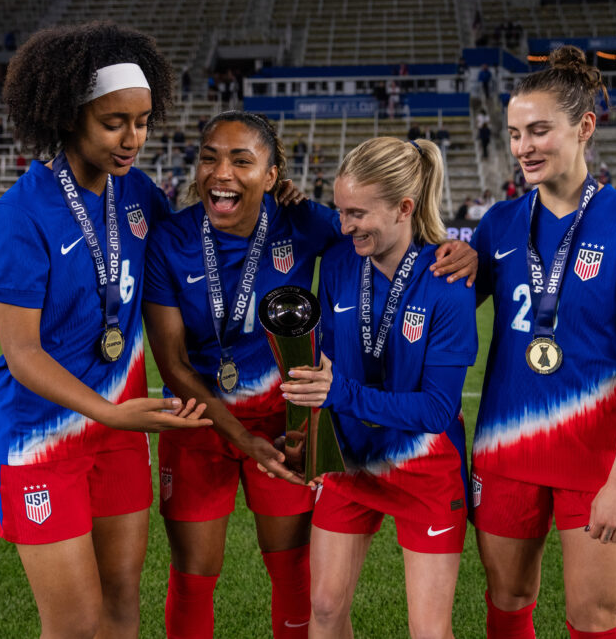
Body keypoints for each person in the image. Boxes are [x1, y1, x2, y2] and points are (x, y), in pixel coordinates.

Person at [142, 112, 477, 639]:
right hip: (205, 423)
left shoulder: (315, 227)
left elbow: (386, 235)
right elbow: (172, 362)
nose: (221, 171)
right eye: (209, 157)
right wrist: (249, 437)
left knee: (300, 580)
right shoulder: (173, 239)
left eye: (242, 160)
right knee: (201, 577)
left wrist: (465, 252)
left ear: (272, 177)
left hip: (290, 429)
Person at [0, 21, 211, 639]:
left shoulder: (137, 193)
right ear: (68, 115)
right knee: (78, 626)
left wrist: (273, 196)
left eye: (142, 120)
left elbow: (200, 244)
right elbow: (22, 353)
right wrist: (111, 416)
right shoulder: (20, 215)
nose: (134, 138)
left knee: (121, 608)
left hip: (118, 434)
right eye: (115, 123)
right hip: (41, 438)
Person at [469, 45, 616, 639]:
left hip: (598, 459)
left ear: (584, 127)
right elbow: (441, 316)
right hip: (505, 451)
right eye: (514, 134)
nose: (523, 147)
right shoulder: (498, 225)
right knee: (507, 603)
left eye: (539, 130)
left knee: (594, 618)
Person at [277, 137, 478, 638]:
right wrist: (315, 440)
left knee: (429, 631)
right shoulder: (343, 260)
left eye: (357, 214)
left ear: (404, 207)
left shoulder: (448, 282)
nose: (344, 226)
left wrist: (337, 393)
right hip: (351, 461)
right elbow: (307, 214)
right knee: (323, 607)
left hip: (425, 468)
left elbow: (436, 411)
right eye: (341, 211)